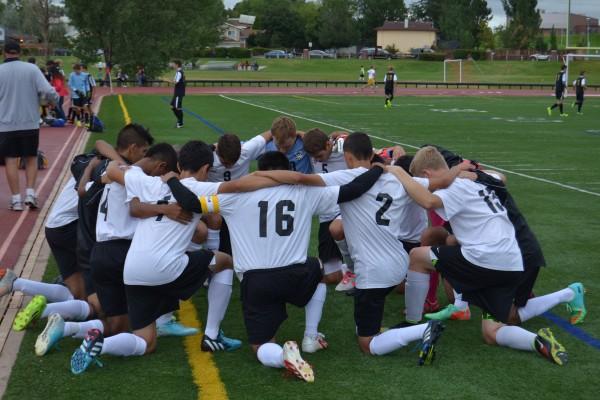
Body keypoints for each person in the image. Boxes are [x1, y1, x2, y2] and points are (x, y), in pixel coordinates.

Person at [165, 150, 386, 381]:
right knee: (318, 269)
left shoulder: (234, 194)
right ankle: (310, 336)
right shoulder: (305, 192)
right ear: (287, 169)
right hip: (297, 274)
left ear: (258, 171)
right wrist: (378, 169)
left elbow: (190, 202)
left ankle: (282, 356)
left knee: (260, 346)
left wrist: (171, 179)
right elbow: (353, 190)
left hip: (257, 280)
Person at [389, 146, 571, 366]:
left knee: (417, 256)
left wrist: (398, 172)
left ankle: (412, 323)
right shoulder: (475, 181)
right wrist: (461, 171)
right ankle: (538, 341)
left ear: (427, 174)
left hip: (485, 259)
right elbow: (500, 177)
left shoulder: (451, 188)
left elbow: (428, 201)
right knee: (492, 333)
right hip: (511, 264)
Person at [0, 40, 59, 211]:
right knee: (31, 158)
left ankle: (16, 199)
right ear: (20, 52)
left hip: (5, 124)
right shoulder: (32, 69)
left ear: (5, 53)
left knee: (10, 160)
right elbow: (48, 91)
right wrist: (53, 102)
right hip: (29, 122)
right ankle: (31, 194)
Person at [171, 60, 185, 128]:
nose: (172, 65)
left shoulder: (179, 72)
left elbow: (175, 82)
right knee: (173, 107)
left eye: (173, 64)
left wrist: (166, 80)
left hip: (179, 93)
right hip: (177, 92)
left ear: (177, 65)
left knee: (177, 108)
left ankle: (180, 122)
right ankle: (180, 121)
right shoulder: (178, 72)